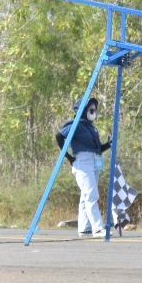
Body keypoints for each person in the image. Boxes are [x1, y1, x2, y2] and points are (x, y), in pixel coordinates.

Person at [55, 96, 112, 237]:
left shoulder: (91, 128)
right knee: (91, 194)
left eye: (95, 108)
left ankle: (85, 226)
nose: (94, 111)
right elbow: (59, 136)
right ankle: (98, 228)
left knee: (86, 195)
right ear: (82, 109)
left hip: (95, 160)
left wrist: (109, 144)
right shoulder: (75, 124)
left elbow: (97, 148)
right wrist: (68, 157)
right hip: (83, 161)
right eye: (90, 108)